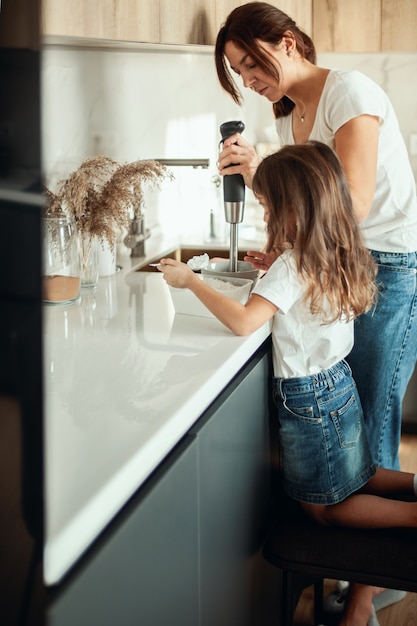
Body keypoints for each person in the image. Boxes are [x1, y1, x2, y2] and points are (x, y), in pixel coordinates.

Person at [158, 142, 417, 626]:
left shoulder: (292, 264)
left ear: (293, 208)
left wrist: (190, 282)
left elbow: (243, 323)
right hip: (338, 385)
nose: (264, 211)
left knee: (323, 510)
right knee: (359, 474)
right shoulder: (337, 249)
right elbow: (300, 301)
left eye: (267, 204)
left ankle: (411, 515)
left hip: (309, 402)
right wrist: (271, 272)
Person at [215, 1, 417, 475]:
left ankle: (383, 543)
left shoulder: (347, 91)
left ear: (287, 43)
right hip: (343, 261)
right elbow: (311, 209)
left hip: (387, 264)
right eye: (237, 72)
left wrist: (261, 171)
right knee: (350, 416)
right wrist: (288, 252)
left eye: (249, 64)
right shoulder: (289, 115)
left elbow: (353, 204)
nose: (247, 81)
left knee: (370, 411)